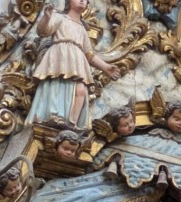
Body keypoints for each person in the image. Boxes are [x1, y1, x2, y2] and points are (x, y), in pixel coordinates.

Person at [26, 0, 120, 128]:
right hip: (59, 56)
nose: (82, 0)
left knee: (81, 90)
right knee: (56, 84)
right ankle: (53, 115)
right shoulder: (60, 18)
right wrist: (46, 17)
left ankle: (72, 123)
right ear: (68, 2)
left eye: (85, 0)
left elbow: (89, 54)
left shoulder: (82, 28)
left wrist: (106, 67)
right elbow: (44, 31)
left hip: (77, 61)